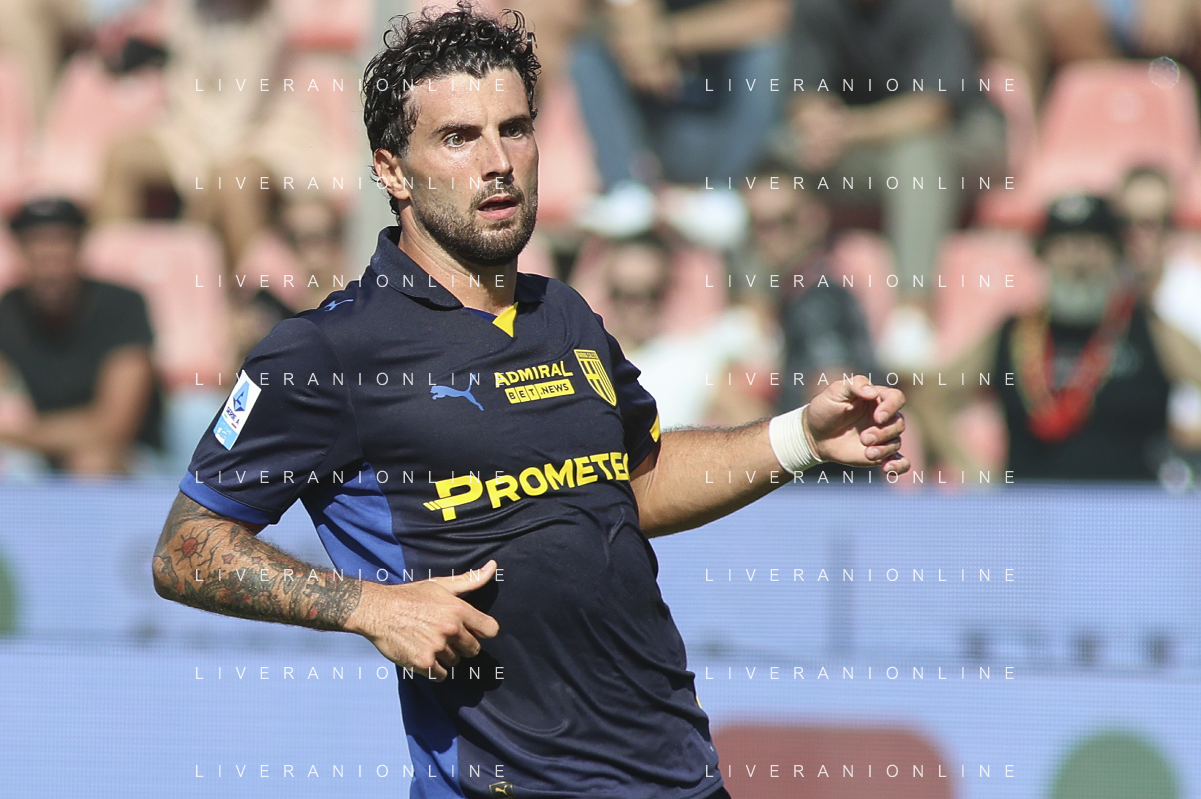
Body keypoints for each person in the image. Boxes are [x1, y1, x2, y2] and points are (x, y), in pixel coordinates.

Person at [151, 5, 908, 798]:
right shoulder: (326, 351)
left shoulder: (565, 313)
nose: (498, 161)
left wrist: (800, 438)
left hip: (678, 775)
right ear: (392, 171)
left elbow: (636, 479)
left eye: (514, 129)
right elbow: (186, 548)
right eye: (458, 137)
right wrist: (368, 605)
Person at [787, 0, 1007, 370]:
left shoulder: (929, 8)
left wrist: (845, 129)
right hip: (865, 149)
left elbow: (933, 109)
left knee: (916, 156)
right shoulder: (814, 7)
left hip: (962, 142)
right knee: (781, 153)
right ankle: (751, 308)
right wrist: (815, 124)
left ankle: (913, 313)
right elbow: (802, 91)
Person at [921, 194, 1201, 481]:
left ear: (1116, 255)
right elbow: (931, 396)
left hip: (1130, 506)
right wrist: (975, 472)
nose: (1078, 260)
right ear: (1043, 256)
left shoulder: (1151, 331)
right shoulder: (1014, 334)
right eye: (1064, 245)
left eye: (1093, 244)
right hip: (1030, 506)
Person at [571, 0, 791, 248]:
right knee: (590, 52)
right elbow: (623, 9)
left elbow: (769, 16)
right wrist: (639, 43)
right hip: (656, 133)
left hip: (724, 135)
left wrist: (664, 38)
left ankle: (725, 194)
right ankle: (626, 189)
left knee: (766, 54)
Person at [0, 198, 160, 474]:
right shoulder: (7, 310)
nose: (50, 266)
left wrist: (18, 434)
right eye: (37, 247)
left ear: (79, 248)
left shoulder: (122, 305)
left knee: (91, 463)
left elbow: (113, 427)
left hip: (127, 459)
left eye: (60, 246)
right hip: (32, 458)